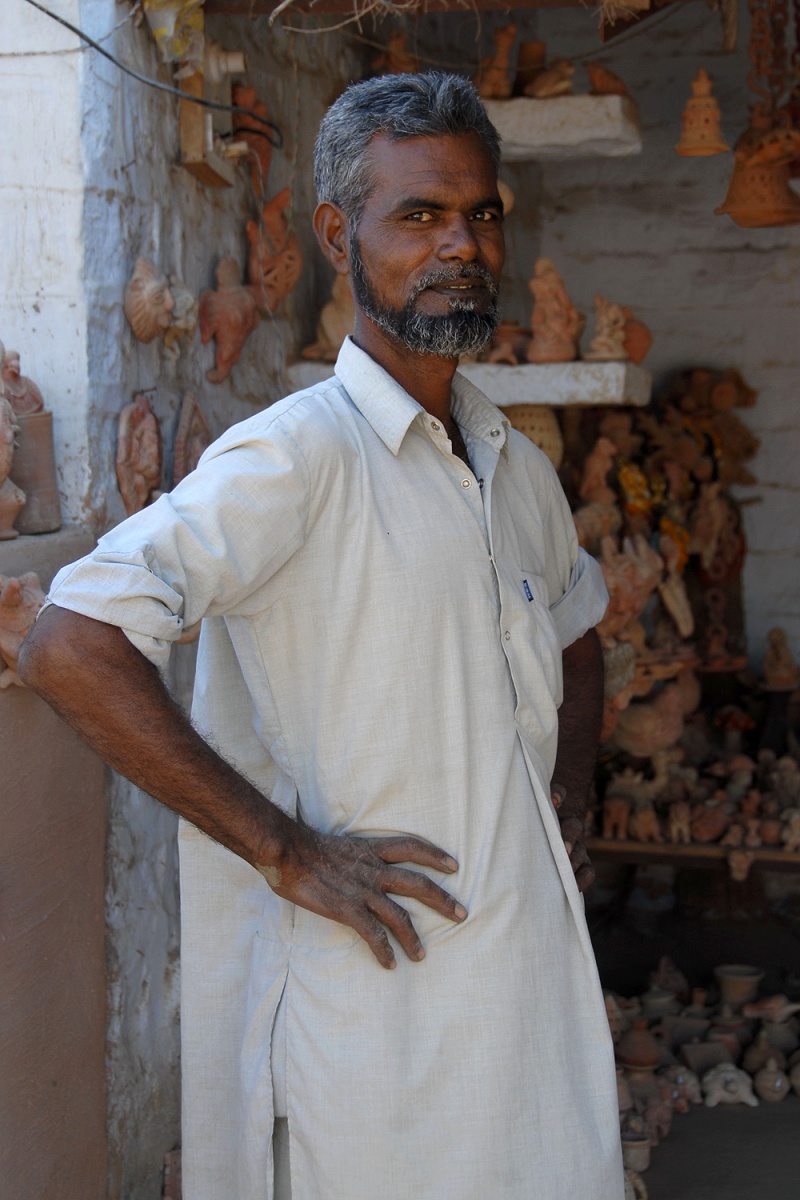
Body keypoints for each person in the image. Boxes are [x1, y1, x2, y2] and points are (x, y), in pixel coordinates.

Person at [20, 73, 624, 1200]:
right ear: (339, 236)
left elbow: (579, 625)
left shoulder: (511, 464)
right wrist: (283, 850)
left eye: (480, 214)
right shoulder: (297, 457)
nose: (461, 246)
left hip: (523, 1000)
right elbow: (69, 641)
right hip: (368, 1030)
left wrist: (569, 802)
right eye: (420, 216)